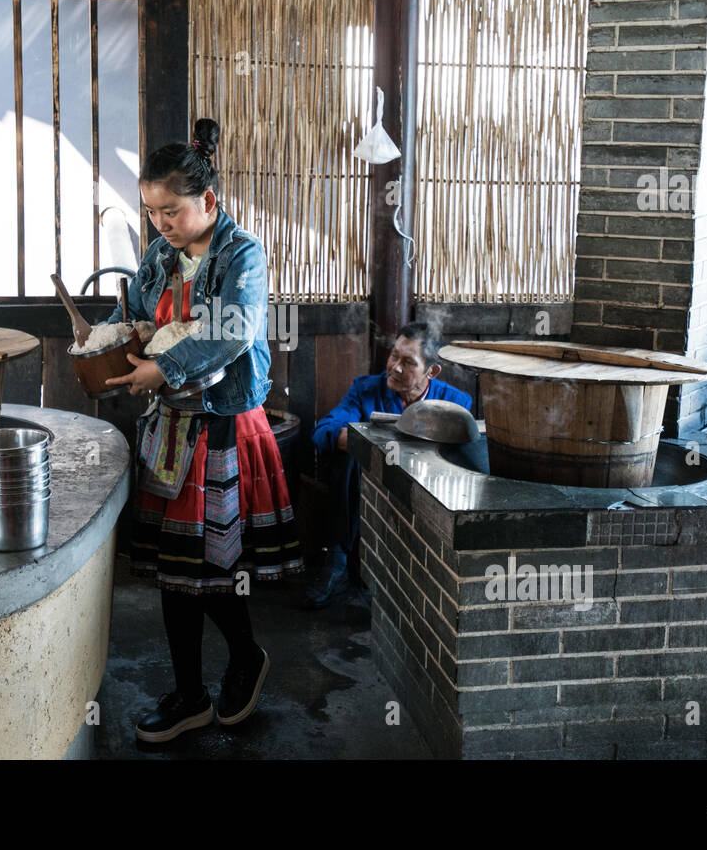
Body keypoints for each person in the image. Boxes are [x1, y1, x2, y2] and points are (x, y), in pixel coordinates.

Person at [104, 117, 304, 743]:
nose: (159, 223)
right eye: (151, 212)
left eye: (170, 210)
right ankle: (189, 695)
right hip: (170, 427)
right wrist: (107, 340)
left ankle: (244, 656)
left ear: (208, 201)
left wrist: (163, 364)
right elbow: (134, 310)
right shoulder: (162, 255)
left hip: (220, 426)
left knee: (214, 568)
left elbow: (234, 330)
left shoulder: (241, 253)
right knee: (174, 567)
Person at [305, 322, 472, 609]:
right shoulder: (366, 390)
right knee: (346, 456)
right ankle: (339, 564)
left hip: (424, 489)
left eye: (408, 362)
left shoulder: (453, 402)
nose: (394, 368)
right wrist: (361, 439)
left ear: (431, 371)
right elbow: (323, 431)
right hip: (369, 486)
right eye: (394, 356)